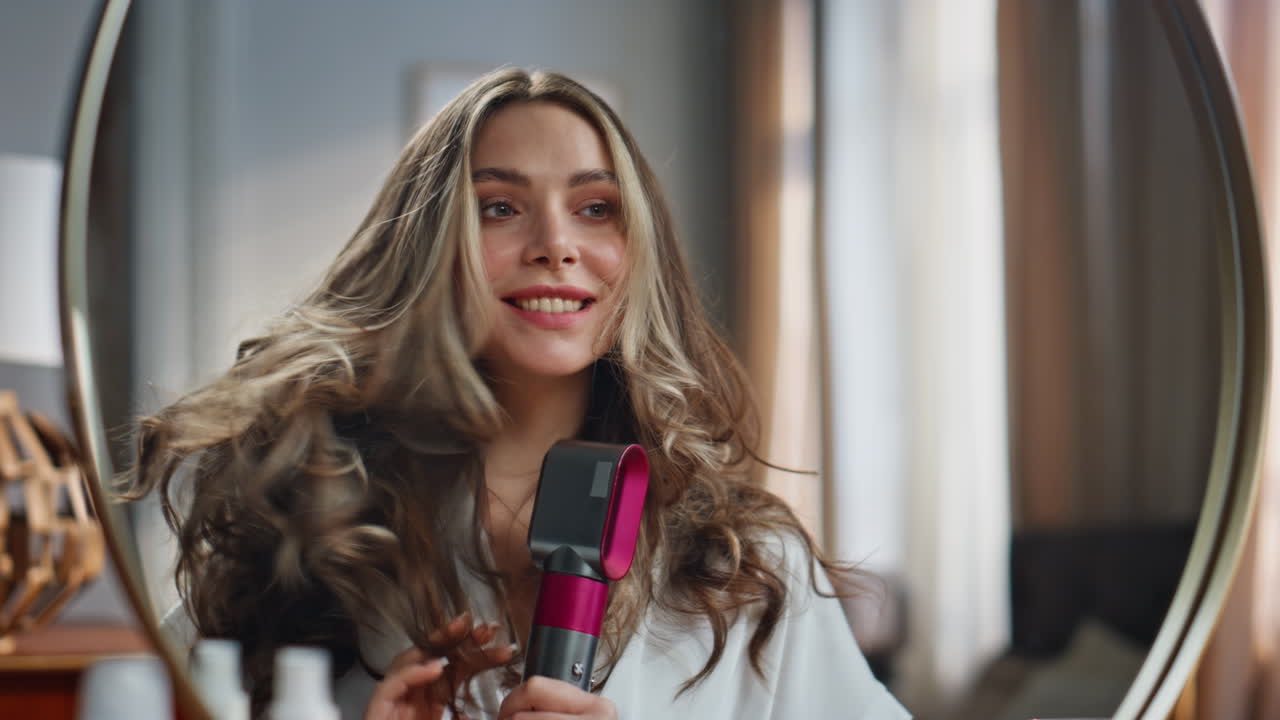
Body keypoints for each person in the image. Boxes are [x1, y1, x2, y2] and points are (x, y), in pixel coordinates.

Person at [131, 68, 910, 720]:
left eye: (595, 208)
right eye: (499, 207)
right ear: (428, 251)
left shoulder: (745, 571)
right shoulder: (300, 530)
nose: (555, 244)